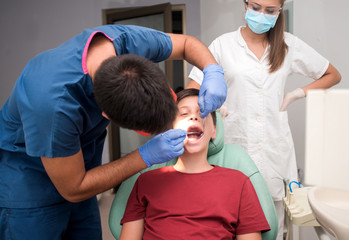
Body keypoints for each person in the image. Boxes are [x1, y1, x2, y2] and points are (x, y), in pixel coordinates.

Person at [0, 24, 227, 240]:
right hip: (29, 180)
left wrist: (212, 70)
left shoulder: (128, 42)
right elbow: (73, 188)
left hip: (84, 171)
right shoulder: (53, 107)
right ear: (105, 114)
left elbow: (187, 43)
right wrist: (144, 156)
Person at [187, 1, 341, 239]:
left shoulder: (288, 45)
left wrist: (296, 94)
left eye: (270, 11)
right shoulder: (222, 45)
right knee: (227, 224)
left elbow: (332, 74)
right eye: (256, 7)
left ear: (280, 11)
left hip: (274, 152)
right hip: (234, 149)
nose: (262, 15)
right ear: (246, 4)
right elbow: (192, 91)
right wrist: (215, 106)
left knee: (273, 229)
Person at [119, 88, 270, 240]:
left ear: (214, 131)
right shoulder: (146, 181)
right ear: (170, 129)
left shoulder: (239, 183)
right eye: (184, 113)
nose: (193, 117)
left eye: (202, 113)